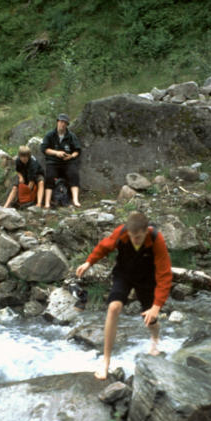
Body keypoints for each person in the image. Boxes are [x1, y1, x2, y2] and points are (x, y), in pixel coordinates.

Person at [76, 212, 172, 380]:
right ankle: (106, 361)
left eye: (139, 237)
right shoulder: (121, 232)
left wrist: (156, 307)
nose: (135, 240)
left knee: (150, 317)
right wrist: (89, 262)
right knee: (114, 307)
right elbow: (104, 247)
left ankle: (155, 338)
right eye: (132, 236)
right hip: (124, 274)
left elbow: (164, 274)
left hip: (146, 278)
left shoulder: (156, 239)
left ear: (145, 232)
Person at [41, 113, 81, 208]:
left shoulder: (71, 136)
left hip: (67, 162)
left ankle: (75, 200)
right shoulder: (50, 135)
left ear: (67, 125)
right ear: (57, 122)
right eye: (61, 121)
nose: (62, 124)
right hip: (53, 162)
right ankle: (47, 202)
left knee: (74, 174)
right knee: (49, 176)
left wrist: (71, 156)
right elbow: (44, 149)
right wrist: (56, 153)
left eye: (65, 123)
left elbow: (77, 150)